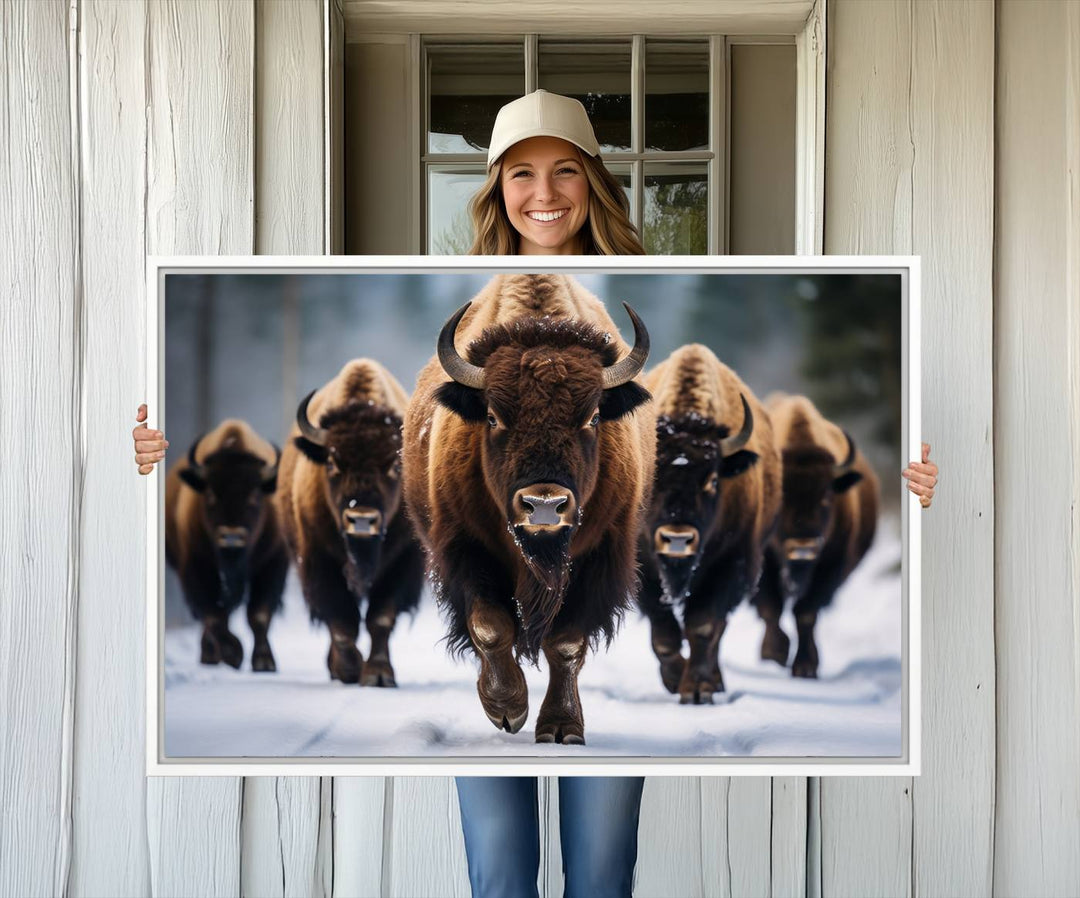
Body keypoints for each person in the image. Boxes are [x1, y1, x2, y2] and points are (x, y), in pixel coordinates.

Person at [131, 89, 939, 898]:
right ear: (493, 187)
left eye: (565, 172)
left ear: (596, 180)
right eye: (521, 174)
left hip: (583, 513)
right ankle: (491, 639)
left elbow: (618, 539)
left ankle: (566, 676)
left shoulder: (621, 364)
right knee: (499, 868)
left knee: (600, 869)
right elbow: (445, 535)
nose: (544, 194)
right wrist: (147, 460)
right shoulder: (454, 339)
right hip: (487, 506)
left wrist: (920, 483)